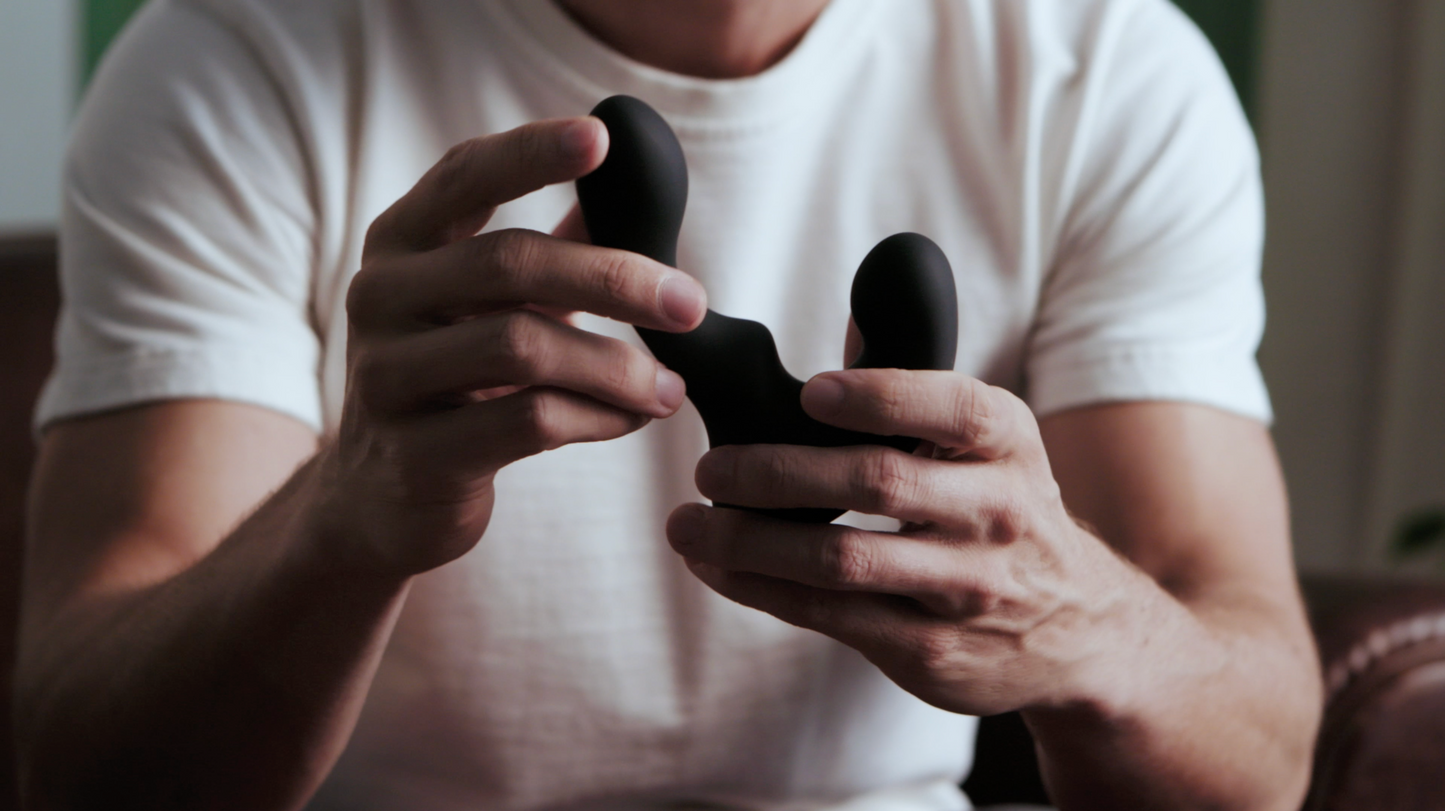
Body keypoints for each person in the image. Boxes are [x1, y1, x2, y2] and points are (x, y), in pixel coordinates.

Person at [15, 0, 1322, 808]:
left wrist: (1077, 619)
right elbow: (84, 769)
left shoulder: (1107, 77)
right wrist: (346, 525)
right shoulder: (233, 60)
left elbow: (1258, 755)